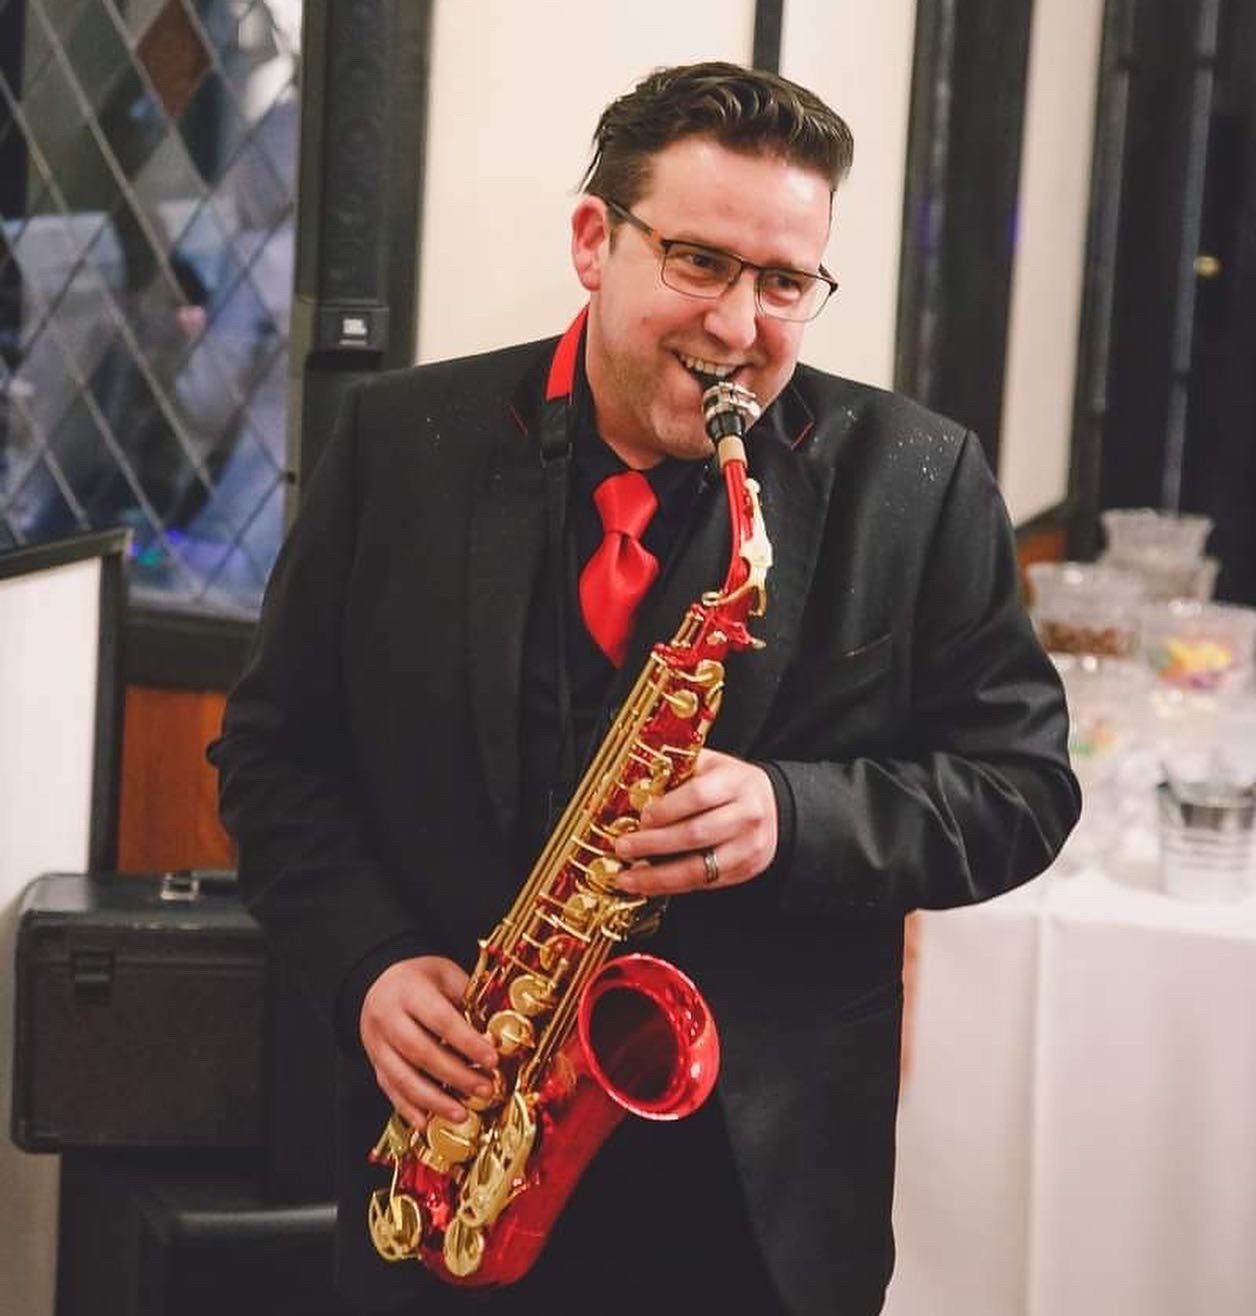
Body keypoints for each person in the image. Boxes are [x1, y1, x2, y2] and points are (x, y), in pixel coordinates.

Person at [210, 61, 1079, 1316]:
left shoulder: (917, 479)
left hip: (755, 1205)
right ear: (591, 239)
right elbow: (275, 757)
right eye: (699, 262)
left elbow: (1023, 786)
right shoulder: (402, 442)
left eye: (785, 281)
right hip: (453, 1146)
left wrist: (794, 814)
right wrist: (369, 966)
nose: (737, 326)